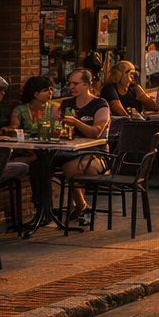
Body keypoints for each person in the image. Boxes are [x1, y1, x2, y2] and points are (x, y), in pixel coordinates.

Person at [54, 70, 110, 226]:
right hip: (69, 151)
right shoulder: (67, 104)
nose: (71, 86)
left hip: (96, 153)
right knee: (42, 166)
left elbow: (96, 132)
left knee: (71, 165)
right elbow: (57, 127)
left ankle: (81, 207)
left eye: (75, 84)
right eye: (70, 83)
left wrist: (76, 122)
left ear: (86, 85)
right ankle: (80, 207)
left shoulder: (100, 104)